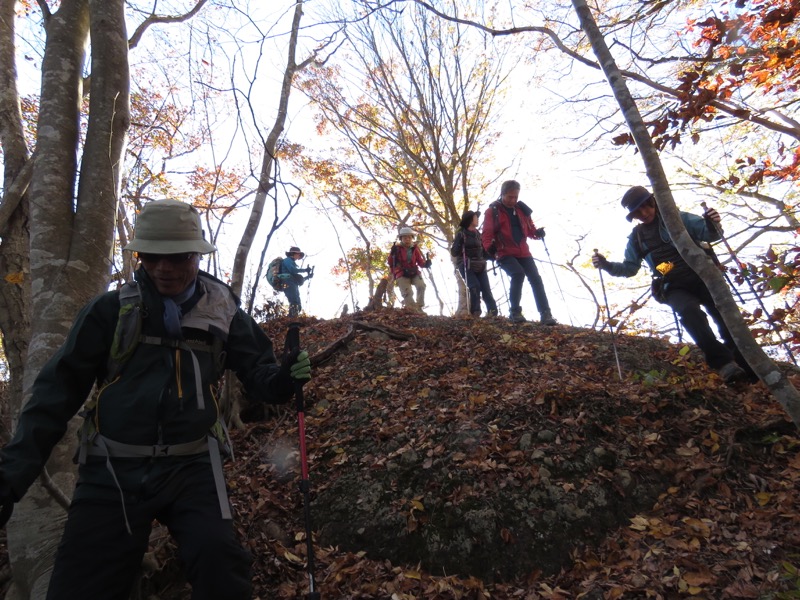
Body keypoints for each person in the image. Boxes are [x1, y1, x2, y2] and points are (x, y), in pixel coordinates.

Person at [0, 199, 312, 599]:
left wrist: (285, 378)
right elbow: (54, 395)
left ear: (196, 255)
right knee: (79, 585)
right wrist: (11, 479)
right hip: (112, 467)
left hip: (193, 465)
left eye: (177, 257)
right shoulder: (109, 312)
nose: (164, 268)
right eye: (151, 256)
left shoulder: (222, 312)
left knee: (222, 568)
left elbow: (260, 376)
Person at [592, 185, 757, 384]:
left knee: (725, 319)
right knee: (689, 312)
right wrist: (607, 265)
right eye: (638, 212)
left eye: (646, 207)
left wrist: (712, 222)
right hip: (672, 285)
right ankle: (724, 364)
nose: (644, 214)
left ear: (653, 202)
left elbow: (709, 234)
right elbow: (629, 268)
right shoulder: (637, 238)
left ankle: (748, 366)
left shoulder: (677, 218)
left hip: (703, 276)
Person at [481, 180, 557, 325]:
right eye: (510, 197)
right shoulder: (493, 211)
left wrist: (537, 233)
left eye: (516, 197)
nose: (513, 200)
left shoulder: (522, 210)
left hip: (523, 252)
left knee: (536, 278)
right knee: (518, 273)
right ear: (502, 194)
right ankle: (515, 311)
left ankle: (545, 313)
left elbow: (530, 230)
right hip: (503, 252)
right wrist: (488, 247)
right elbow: (487, 233)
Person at [451, 210, 498, 317]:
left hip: (480, 264)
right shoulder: (461, 234)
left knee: (486, 288)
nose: (477, 219)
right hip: (466, 265)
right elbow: (454, 252)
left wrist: (492, 253)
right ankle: (475, 312)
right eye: (475, 217)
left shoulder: (478, 235)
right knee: (474, 286)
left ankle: (493, 313)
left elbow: (484, 253)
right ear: (469, 219)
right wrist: (459, 242)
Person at [388, 226, 431, 313]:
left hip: (414, 271)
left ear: (412, 238)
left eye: (409, 237)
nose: (407, 239)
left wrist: (426, 264)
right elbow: (390, 262)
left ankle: (419, 307)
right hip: (401, 273)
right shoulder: (396, 248)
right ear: (401, 238)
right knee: (407, 292)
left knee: (421, 286)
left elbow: (420, 261)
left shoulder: (414, 248)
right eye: (405, 237)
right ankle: (412, 310)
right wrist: (392, 253)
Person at [280, 246, 313, 317]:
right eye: (298, 254)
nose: (299, 256)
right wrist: (305, 270)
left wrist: (308, 277)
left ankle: (294, 319)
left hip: (292, 283)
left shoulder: (292, 263)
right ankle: (292, 321)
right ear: (293, 253)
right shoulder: (287, 260)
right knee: (294, 301)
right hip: (286, 282)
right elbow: (292, 270)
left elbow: (297, 280)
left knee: (298, 304)